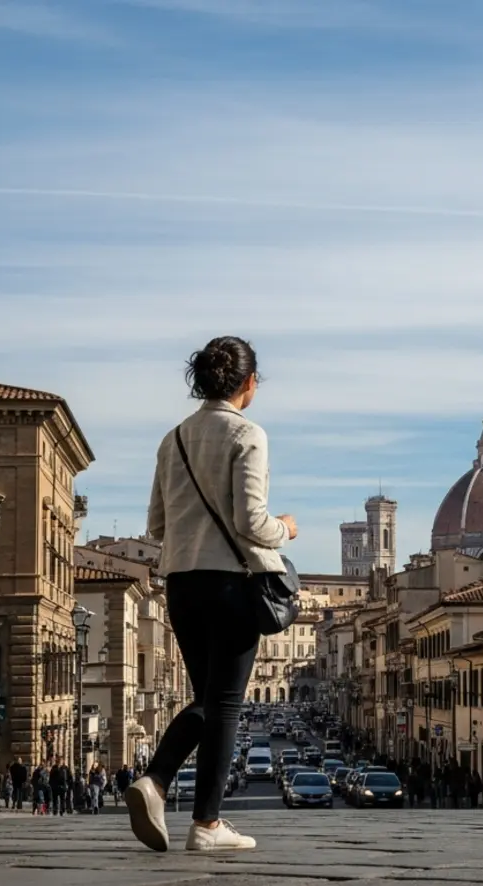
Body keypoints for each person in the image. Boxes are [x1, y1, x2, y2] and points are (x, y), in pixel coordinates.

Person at [126, 336, 299, 854]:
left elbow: (156, 523)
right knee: (225, 705)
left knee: (209, 700)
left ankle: (161, 787)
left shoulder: (172, 439)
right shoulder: (248, 434)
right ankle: (201, 820)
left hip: (180, 585)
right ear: (249, 383)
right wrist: (286, 528)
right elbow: (252, 521)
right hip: (232, 585)